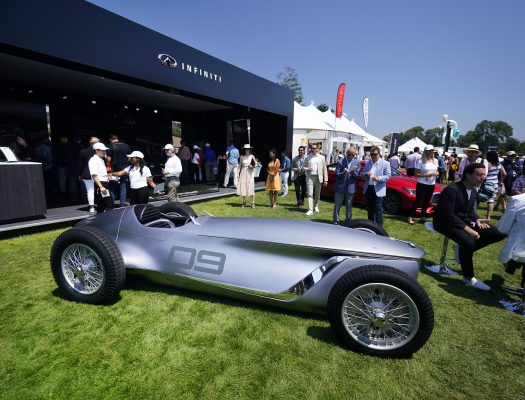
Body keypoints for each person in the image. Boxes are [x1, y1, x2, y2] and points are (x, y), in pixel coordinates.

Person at [433, 163, 506, 290]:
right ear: (468, 175)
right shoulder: (452, 189)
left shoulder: (472, 190)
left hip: (461, 221)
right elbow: (448, 215)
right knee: (468, 243)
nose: (483, 177)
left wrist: (477, 220)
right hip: (444, 223)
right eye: (479, 174)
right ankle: (468, 277)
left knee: (497, 234)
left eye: (484, 174)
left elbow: (469, 211)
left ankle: (463, 249)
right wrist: (468, 230)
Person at [408, 145, 439, 225]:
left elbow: (437, 171)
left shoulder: (435, 160)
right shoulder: (421, 161)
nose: (430, 152)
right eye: (428, 150)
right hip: (422, 184)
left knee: (426, 201)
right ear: (425, 151)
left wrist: (436, 173)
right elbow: (416, 174)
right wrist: (426, 175)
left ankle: (423, 217)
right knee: (418, 201)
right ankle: (410, 216)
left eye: (431, 150)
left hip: (431, 184)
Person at [361, 146, 391, 226]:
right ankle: (370, 225)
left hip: (378, 189)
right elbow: (362, 174)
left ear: (379, 154)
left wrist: (378, 178)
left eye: (375, 154)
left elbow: (388, 176)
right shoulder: (368, 163)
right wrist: (366, 174)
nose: (373, 156)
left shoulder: (385, 163)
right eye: (371, 155)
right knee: (369, 208)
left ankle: (379, 227)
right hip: (369, 188)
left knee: (378, 209)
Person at [497, 193, 525, 272]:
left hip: (518, 244)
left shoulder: (517, 199)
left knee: (514, 256)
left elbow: (503, 226)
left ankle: (511, 265)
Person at [333, 146, 360, 225]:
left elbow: (358, 175)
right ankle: (335, 220)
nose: (350, 156)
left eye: (352, 155)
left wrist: (352, 172)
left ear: (354, 154)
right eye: (349, 154)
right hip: (340, 187)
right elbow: (336, 174)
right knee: (337, 205)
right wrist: (343, 173)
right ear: (346, 153)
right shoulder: (341, 162)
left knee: (349, 206)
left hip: (350, 187)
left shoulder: (357, 162)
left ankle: (348, 221)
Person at [88, 142, 114, 213]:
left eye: (105, 150)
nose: (104, 152)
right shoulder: (93, 160)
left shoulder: (101, 159)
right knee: (110, 204)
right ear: (96, 150)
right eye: (102, 150)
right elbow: (94, 175)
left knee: (102, 205)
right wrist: (101, 186)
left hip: (104, 183)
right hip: (101, 184)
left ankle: (101, 221)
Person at [107, 134, 132, 207]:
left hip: (113, 169)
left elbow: (109, 159)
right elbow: (129, 158)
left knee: (111, 186)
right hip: (124, 168)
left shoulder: (110, 146)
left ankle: (111, 204)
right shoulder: (126, 146)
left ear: (111, 140)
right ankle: (122, 203)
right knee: (123, 185)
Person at [304, 144, 328, 216]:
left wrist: (325, 180)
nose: (312, 149)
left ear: (317, 149)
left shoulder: (322, 157)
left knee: (317, 193)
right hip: (310, 177)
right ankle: (310, 209)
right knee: (310, 193)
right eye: (311, 148)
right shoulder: (307, 157)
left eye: (314, 148)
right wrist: (307, 169)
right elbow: (303, 167)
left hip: (318, 177)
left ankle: (316, 206)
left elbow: (324, 169)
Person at [484, 150, 506, 221]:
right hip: (495, 184)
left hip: (486, 184)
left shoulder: (487, 164)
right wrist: (500, 181)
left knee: (478, 199)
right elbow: (504, 174)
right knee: (491, 201)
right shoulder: (499, 165)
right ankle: (488, 217)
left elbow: (484, 173)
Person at [79, 136, 98, 212]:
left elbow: (80, 164)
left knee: (90, 190)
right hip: (98, 173)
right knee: (101, 188)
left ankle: (91, 207)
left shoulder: (83, 151)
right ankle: (102, 204)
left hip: (86, 173)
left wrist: (80, 174)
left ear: (90, 143)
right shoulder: (99, 152)